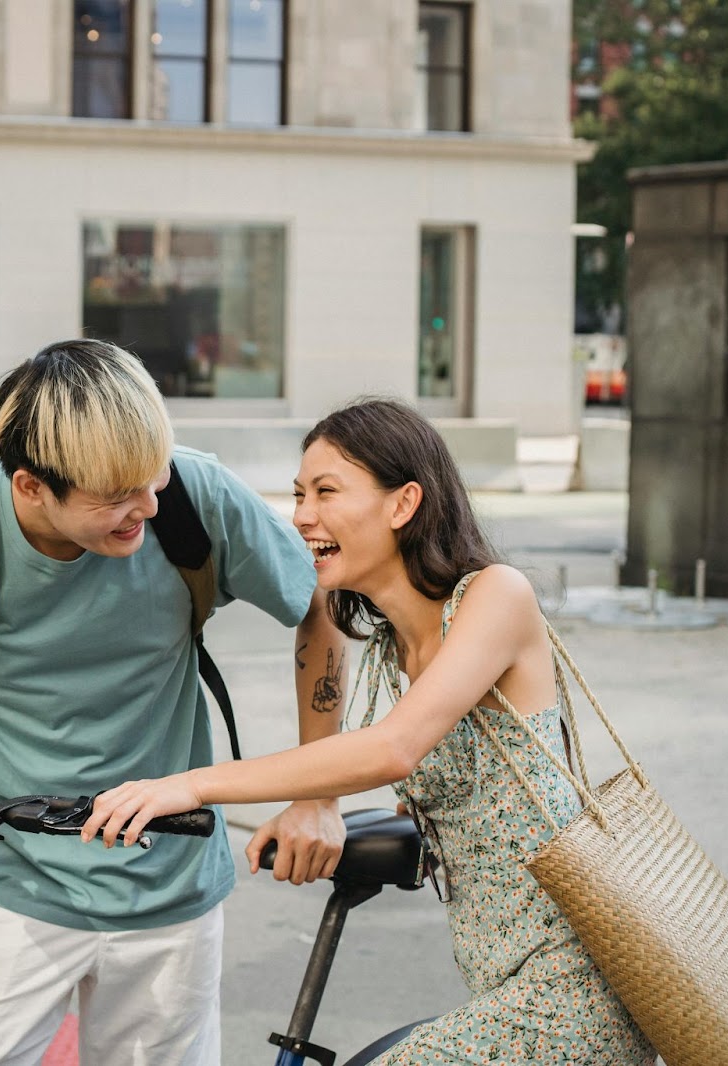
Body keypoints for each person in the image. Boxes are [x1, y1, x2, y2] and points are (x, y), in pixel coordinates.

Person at [83, 398, 657, 1066]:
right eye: (299, 494)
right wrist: (313, 814)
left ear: (403, 503)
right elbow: (455, 797)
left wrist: (190, 786)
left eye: (327, 491)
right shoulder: (391, 648)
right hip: (502, 984)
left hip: (571, 991)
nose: (302, 515)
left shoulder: (495, 596)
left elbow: (391, 748)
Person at [0, 339, 348, 1066]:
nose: (146, 505)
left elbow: (319, 601)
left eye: (153, 479)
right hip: (13, 880)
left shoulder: (193, 497)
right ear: (29, 487)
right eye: (116, 495)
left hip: (171, 883)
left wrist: (317, 792)